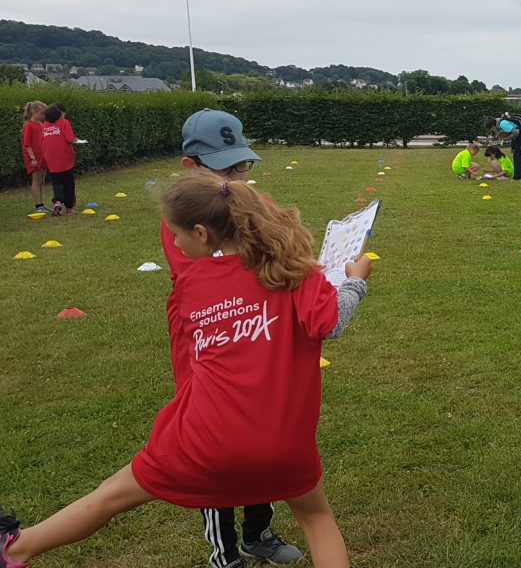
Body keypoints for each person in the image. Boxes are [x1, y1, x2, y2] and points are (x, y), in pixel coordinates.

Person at [0, 173, 371, 568]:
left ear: (201, 233)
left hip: (202, 442)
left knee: (109, 496)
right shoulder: (296, 274)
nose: (174, 244)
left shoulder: (191, 285)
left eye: (176, 235)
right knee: (317, 519)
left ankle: (15, 549)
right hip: (283, 445)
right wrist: (353, 284)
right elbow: (328, 323)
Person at [165, 109, 304, 568]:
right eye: (225, 169)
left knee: (262, 434)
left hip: (257, 344)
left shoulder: (249, 201)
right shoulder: (187, 219)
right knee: (217, 449)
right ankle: (224, 554)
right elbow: (211, 282)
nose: (238, 177)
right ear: (192, 167)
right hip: (210, 356)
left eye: (242, 166)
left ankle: (258, 532)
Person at [39, 105, 76, 216]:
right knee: (69, 182)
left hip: (51, 158)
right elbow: (70, 138)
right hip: (65, 157)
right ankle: (69, 207)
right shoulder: (64, 122)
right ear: (59, 114)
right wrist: (78, 140)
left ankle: (58, 201)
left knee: (57, 182)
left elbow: (41, 141)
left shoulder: (44, 125)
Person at [20, 101, 50, 214]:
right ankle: (38, 205)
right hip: (34, 157)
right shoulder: (29, 125)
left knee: (42, 180)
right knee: (36, 180)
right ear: (34, 112)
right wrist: (33, 158)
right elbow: (27, 144)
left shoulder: (40, 124)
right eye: (42, 113)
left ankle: (42, 203)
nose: (43, 116)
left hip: (42, 155)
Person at [486, 113, 521, 180]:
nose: (492, 130)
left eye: (491, 129)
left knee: (517, 157)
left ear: (493, 126)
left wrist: (506, 138)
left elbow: (516, 132)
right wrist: (512, 146)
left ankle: (517, 177)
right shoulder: (501, 122)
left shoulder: (502, 124)